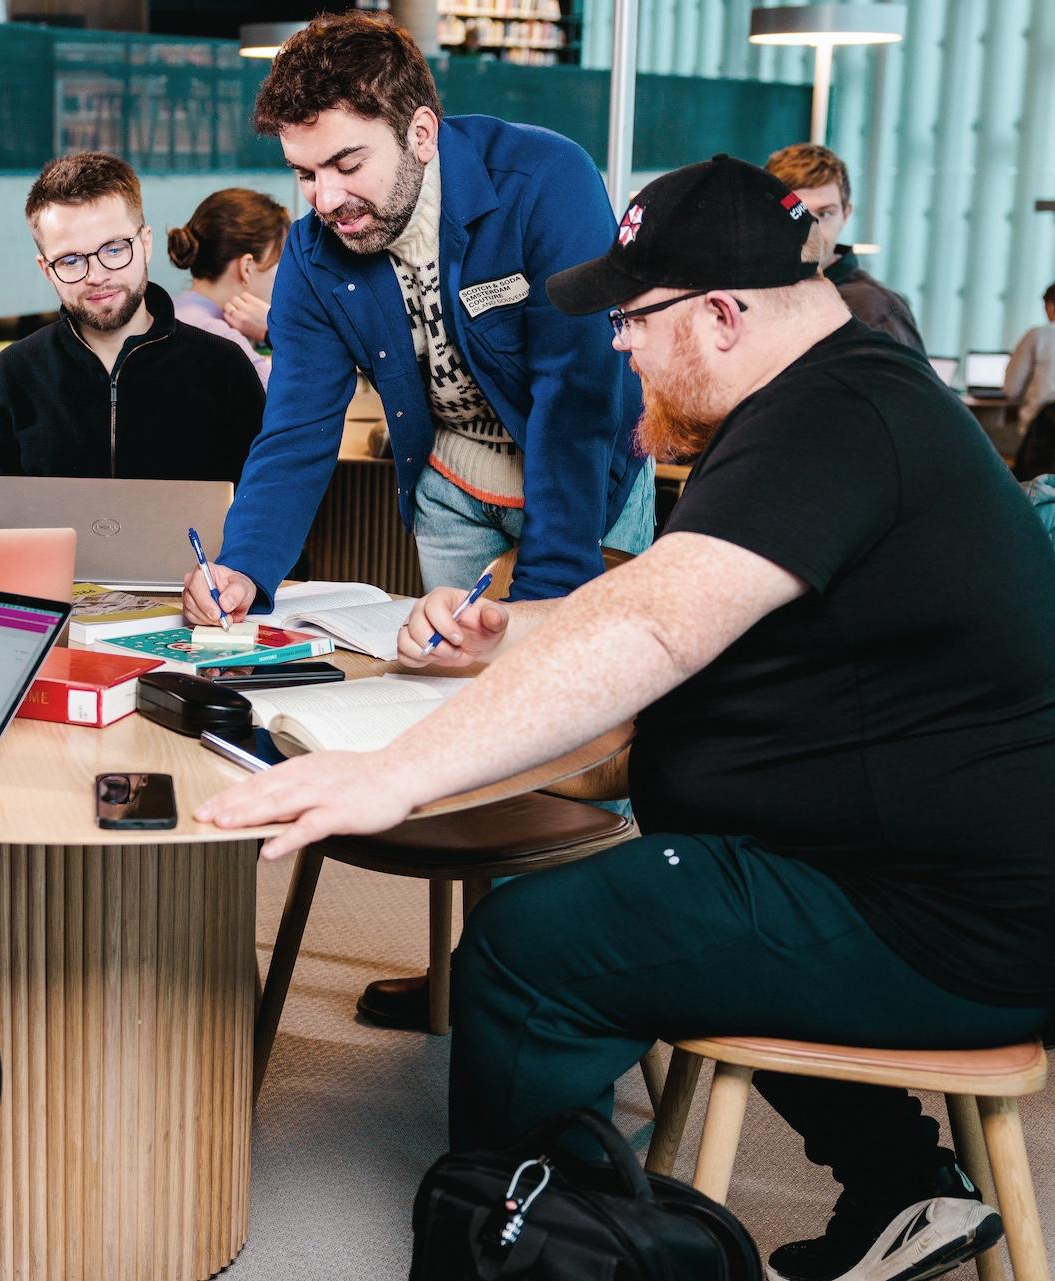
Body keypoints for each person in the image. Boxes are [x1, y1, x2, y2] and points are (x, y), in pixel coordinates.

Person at [197, 154, 1055, 1281]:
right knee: (678, 891)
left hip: (944, 927)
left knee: (529, 950)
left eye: (639, 320)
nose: (620, 344)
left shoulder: (833, 422)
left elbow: (651, 630)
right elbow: (681, 597)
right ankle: (903, 1188)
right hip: (901, 875)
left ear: (725, 313)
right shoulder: (833, 396)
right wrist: (522, 629)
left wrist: (390, 774)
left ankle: (549, 1247)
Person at [180, 12, 651, 628]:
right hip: (450, 489)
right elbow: (297, 427)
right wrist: (244, 566)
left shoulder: (545, 180)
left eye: (348, 166)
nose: (325, 200)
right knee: (457, 678)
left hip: (586, 482)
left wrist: (547, 595)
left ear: (421, 134)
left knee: (589, 676)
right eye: (305, 174)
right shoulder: (310, 253)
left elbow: (578, 398)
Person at [0, 152, 266, 528]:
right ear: (45, 270)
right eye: (70, 260)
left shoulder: (223, 366)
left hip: (193, 587)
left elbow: (267, 514)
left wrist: (241, 582)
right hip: (46, 588)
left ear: (145, 243)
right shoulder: (12, 375)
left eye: (114, 249)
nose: (96, 275)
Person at [765, 142, 925, 353]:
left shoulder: (875, 312)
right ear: (766, 214)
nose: (812, 229)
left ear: (845, 215)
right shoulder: (754, 296)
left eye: (825, 214)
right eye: (797, 213)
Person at [167, 187, 291, 387]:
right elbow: (297, 406)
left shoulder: (171, 310)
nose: (286, 276)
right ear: (247, 267)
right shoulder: (219, 337)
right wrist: (275, 331)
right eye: (279, 263)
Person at [1003, 281, 1055, 449]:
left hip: (1039, 438)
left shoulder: (1037, 336)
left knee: (987, 434)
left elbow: (1011, 390)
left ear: (1050, 306)